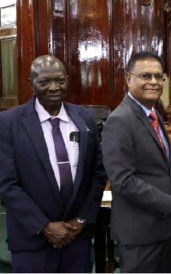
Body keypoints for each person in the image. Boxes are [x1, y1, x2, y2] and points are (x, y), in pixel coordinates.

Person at [0, 55, 106, 272]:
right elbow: (6, 184)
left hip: (77, 238)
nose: (53, 87)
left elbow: (97, 173)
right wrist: (44, 226)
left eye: (60, 80)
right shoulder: (8, 123)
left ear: (67, 79)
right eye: (44, 82)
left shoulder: (84, 118)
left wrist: (81, 220)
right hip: (32, 240)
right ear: (31, 84)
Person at [101, 51, 171, 272]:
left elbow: (149, 166)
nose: (154, 82)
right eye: (146, 76)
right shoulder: (120, 120)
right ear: (128, 78)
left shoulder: (152, 114)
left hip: (160, 227)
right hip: (140, 232)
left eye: (158, 76)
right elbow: (123, 181)